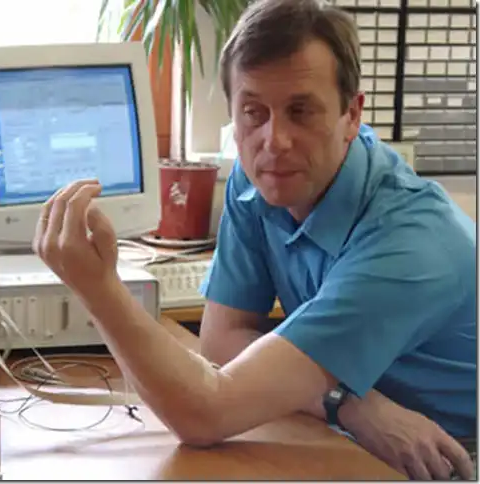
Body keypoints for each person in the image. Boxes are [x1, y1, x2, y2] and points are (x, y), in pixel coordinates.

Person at [32, 0, 476, 480]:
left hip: (445, 453)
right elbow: (221, 340)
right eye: (253, 112)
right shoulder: (259, 181)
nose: (274, 140)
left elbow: (205, 413)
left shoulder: (409, 241)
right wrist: (351, 404)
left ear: (352, 114)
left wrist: (98, 288)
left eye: (300, 111)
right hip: (355, 433)